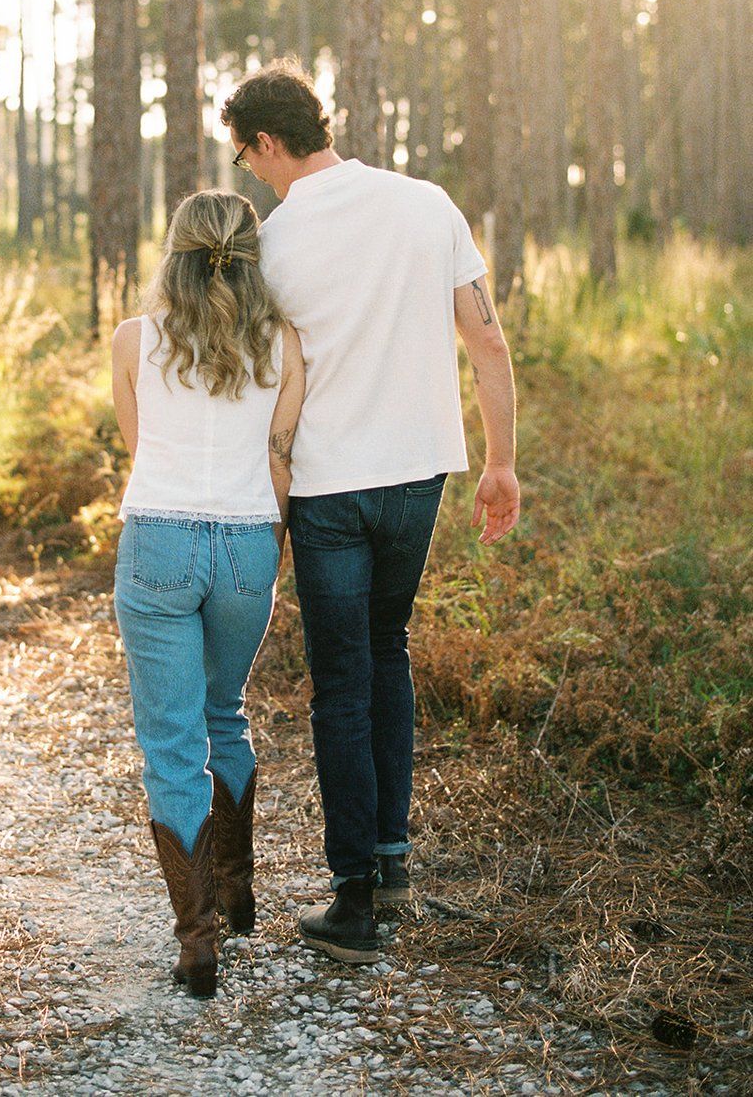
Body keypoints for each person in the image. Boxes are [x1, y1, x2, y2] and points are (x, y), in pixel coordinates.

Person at [221, 58, 519, 965]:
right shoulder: (427, 204)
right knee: (388, 651)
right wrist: (502, 461)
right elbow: (487, 337)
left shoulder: (272, 244)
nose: (250, 172)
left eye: (246, 157)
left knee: (341, 680)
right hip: (421, 471)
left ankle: (354, 900)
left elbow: (261, 384)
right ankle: (391, 860)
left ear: (269, 142)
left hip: (328, 484)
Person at [110, 188, 304, 998]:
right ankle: (238, 888)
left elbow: (137, 442)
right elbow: (281, 455)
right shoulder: (284, 344)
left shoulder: (133, 339)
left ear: (175, 250)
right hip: (247, 543)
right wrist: (270, 547)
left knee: (170, 739)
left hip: (158, 535)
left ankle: (198, 943)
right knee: (224, 712)